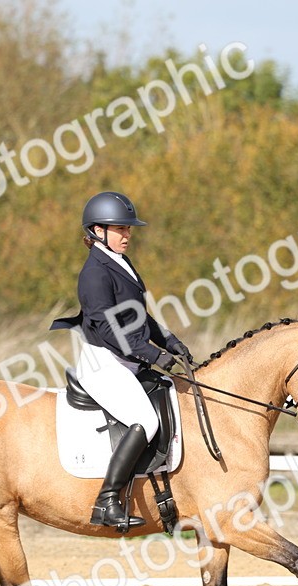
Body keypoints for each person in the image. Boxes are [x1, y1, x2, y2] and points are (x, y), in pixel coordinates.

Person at [50, 191, 192, 529]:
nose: (127, 235)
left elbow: (137, 316)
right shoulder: (94, 274)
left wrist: (170, 340)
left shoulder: (119, 262)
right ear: (98, 230)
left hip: (127, 360)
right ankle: (107, 500)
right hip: (105, 362)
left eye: (128, 229)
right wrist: (156, 355)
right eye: (120, 229)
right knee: (145, 419)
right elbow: (112, 330)